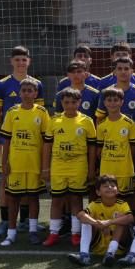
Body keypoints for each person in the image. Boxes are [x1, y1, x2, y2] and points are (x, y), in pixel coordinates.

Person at [42, 86, 96, 248]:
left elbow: (92, 148)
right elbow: (47, 146)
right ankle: (53, 233)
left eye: (73, 102)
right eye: (67, 102)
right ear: (61, 103)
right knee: (56, 200)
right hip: (58, 165)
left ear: (79, 102)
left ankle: (75, 234)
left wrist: (91, 168)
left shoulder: (87, 121)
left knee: (76, 199)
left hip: (78, 165)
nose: (70, 105)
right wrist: (45, 168)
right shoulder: (55, 120)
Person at [0, 45, 33, 238]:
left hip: (30, 143)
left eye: (24, 60)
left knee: (26, 180)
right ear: (11, 61)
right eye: (17, 60)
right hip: (9, 142)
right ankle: (5, 220)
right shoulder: (2, 84)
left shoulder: (36, 84)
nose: (21, 63)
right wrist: (9, 131)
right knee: (6, 178)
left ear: (29, 61)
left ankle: (23, 221)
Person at [0, 77, 47, 247]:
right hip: (16, 164)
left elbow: (46, 141)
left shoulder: (41, 112)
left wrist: (45, 165)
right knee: (13, 199)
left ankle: (33, 231)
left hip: (34, 164)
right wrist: (4, 163)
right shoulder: (12, 112)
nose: (27, 93)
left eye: (30, 91)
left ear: (35, 93)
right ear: (19, 93)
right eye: (24, 90)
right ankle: (11, 234)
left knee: (33, 198)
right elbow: (7, 141)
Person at [94, 86, 135, 213]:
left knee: (125, 198)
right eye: (109, 100)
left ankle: (127, 224)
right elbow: (99, 149)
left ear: (122, 102)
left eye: (115, 100)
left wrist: (123, 159)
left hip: (124, 170)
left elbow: (133, 148)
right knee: (107, 197)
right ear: (104, 103)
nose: (112, 103)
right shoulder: (101, 125)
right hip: (107, 169)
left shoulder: (129, 123)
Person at [74, 174, 133, 267]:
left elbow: (130, 218)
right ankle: (84, 255)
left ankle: (110, 253)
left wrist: (108, 222)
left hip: (119, 245)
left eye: (113, 186)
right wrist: (97, 224)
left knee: (122, 219)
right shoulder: (94, 204)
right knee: (86, 221)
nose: (110, 187)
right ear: (98, 192)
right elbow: (80, 215)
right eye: (105, 186)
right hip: (98, 242)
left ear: (117, 190)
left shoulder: (122, 204)